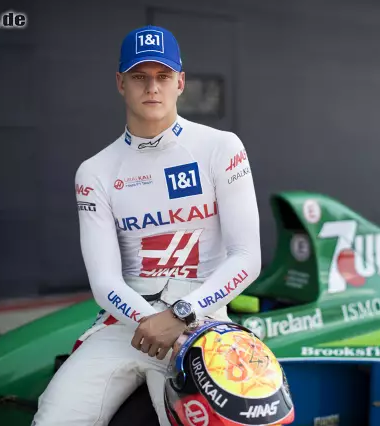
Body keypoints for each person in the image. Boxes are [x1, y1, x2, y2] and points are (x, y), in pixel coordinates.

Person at [32, 24, 261, 426]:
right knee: (53, 416)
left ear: (180, 82)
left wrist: (182, 315)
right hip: (127, 324)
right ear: (121, 83)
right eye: (139, 76)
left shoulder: (222, 148)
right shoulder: (95, 172)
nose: (151, 87)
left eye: (163, 76)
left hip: (203, 320)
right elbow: (104, 282)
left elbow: (247, 258)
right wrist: (149, 321)